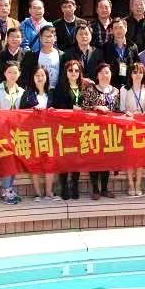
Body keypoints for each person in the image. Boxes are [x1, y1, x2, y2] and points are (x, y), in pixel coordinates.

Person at [54, 59, 93, 200]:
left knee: (77, 158)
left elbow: (89, 105)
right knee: (65, 158)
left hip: (80, 129)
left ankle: (74, 185)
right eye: (70, 70)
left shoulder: (85, 87)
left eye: (76, 70)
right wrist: (71, 109)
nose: (74, 73)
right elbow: (57, 107)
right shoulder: (60, 87)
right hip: (65, 129)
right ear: (66, 72)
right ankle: (64, 186)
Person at [20, 66, 59, 202]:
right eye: (37, 75)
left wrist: (53, 111)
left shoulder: (52, 93)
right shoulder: (27, 93)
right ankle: (37, 194)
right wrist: (32, 110)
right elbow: (21, 113)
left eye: (42, 75)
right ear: (33, 77)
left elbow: (60, 112)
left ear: (47, 77)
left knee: (50, 163)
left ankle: (49, 192)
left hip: (49, 133)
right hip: (32, 133)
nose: (40, 78)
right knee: (34, 163)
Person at [81, 63, 120, 200]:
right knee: (94, 160)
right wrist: (96, 107)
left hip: (109, 131)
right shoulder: (91, 89)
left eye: (107, 72)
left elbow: (117, 110)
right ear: (97, 75)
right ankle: (95, 189)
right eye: (102, 73)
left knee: (107, 160)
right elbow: (83, 107)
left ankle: (104, 189)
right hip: (94, 130)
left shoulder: (116, 91)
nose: (105, 75)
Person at [0, 60, 25, 204]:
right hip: (1, 130)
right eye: (9, 72)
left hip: (16, 131)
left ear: (19, 74)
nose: (12, 75)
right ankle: (5, 190)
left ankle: (9, 189)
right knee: (7, 160)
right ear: (4, 73)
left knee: (14, 160)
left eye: (15, 72)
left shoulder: (21, 91)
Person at [119, 62, 145, 197]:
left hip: (142, 128)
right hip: (128, 127)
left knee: (140, 157)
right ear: (130, 74)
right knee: (129, 157)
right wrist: (129, 114)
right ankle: (130, 184)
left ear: (144, 74)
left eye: (140, 72)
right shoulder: (124, 89)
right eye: (135, 72)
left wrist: (143, 114)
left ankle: (138, 183)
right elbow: (121, 109)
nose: (137, 75)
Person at [21, 25, 64, 90]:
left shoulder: (62, 56)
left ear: (55, 38)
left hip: (57, 92)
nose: (47, 39)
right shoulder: (32, 56)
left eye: (50, 36)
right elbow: (26, 77)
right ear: (40, 38)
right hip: (38, 91)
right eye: (45, 36)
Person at [103, 17, 140, 89]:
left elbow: (136, 66)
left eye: (120, 27)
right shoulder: (106, 47)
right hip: (112, 86)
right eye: (115, 28)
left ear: (126, 29)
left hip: (129, 85)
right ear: (112, 30)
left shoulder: (133, 46)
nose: (118, 30)